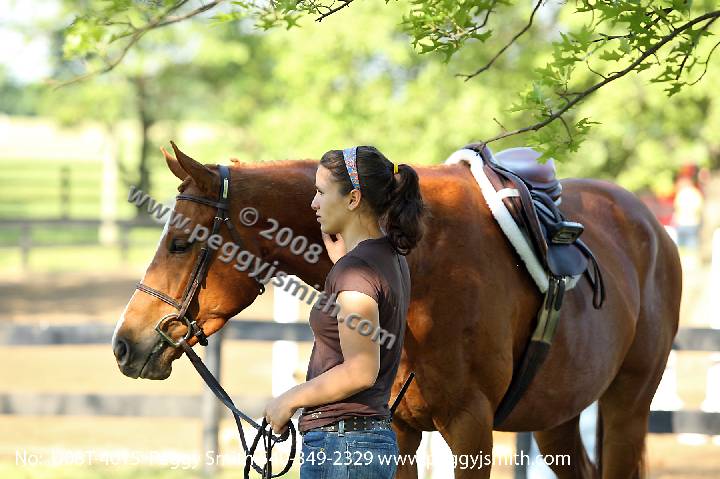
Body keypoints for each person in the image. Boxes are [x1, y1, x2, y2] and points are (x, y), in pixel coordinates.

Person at [263, 145, 425, 478]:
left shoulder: (356, 273)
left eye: (321, 192)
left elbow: (360, 371)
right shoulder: (386, 258)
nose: (314, 203)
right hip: (355, 444)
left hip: (344, 448)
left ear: (353, 199)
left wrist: (288, 400)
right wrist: (344, 261)